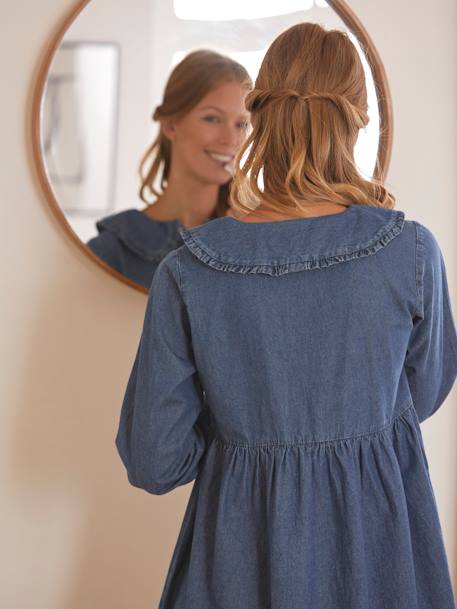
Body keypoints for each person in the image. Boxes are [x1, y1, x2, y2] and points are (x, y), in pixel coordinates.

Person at [115, 22, 457, 609]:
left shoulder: (187, 271)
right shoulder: (411, 253)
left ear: (261, 114)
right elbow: (420, 395)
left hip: (236, 558)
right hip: (380, 555)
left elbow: (154, 461)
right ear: (357, 118)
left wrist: (246, 445)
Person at [86, 50, 252, 289]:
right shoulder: (112, 252)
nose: (230, 139)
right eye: (212, 119)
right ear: (171, 126)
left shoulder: (254, 237)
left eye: (241, 124)